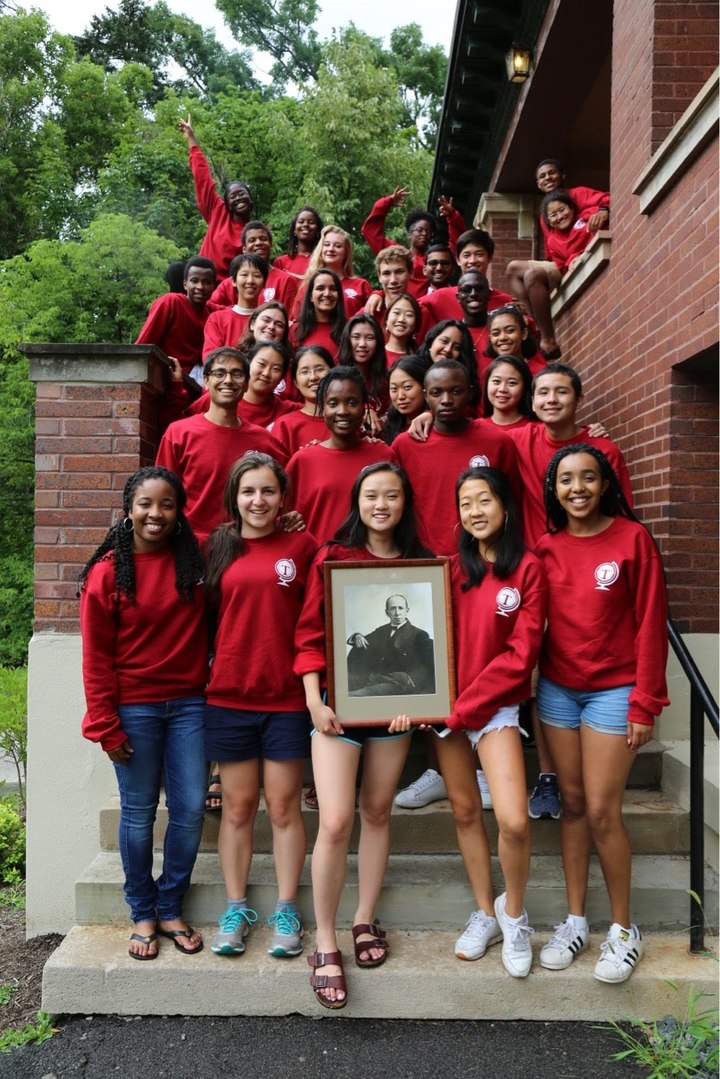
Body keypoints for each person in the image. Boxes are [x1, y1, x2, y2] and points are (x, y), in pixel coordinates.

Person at [294, 461, 432, 1008]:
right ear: (357, 501)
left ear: (405, 503)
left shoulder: (424, 566)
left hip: (394, 717)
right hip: (337, 710)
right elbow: (308, 631)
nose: (381, 505)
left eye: (392, 495)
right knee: (334, 820)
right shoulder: (333, 558)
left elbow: (430, 665)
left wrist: (421, 705)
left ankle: (364, 919)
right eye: (371, 495)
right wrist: (312, 699)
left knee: (377, 812)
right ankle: (325, 939)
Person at [535, 445, 668, 983]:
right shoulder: (545, 548)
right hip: (557, 689)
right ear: (554, 489)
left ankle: (623, 929)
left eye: (589, 477)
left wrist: (645, 701)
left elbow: (650, 625)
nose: (578, 488)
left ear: (605, 484)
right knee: (570, 805)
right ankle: (575, 922)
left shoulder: (633, 540)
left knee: (601, 810)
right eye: (566, 479)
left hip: (614, 690)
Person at [79, 466, 207, 960]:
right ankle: (142, 910)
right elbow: (95, 658)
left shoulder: (192, 563)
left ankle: (171, 903)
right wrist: (104, 725)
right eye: (146, 504)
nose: (156, 514)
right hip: (133, 709)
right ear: (130, 508)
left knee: (191, 808)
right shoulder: (109, 571)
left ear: (179, 512)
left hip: (190, 704)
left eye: (167, 505)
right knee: (137, 813)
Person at [431, 466, 546, 976]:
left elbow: (521, 657)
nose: (475, 512)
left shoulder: (529, 569)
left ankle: (514, 913)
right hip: (445, 707)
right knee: (462, 813)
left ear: (505, 507)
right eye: (466, 503)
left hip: (490, 708)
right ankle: (485, 911)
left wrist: (464, 710)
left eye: (484, 501)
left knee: (516, 821)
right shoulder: (448, 570)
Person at [204, 453, 317, 959]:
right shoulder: (215, 548)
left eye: (268, 491)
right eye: (249, 491)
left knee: (286, 808)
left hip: (287, 698)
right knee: (239, 809)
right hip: (228, 695)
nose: (258, 500)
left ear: (282, 497)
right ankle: (235, 908)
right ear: (235, 497)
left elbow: (317, 619)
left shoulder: (303, 546)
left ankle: (287, 910)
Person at [155, 347, 286, 545]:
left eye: (237, 374)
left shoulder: (264, 441)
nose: (228, 380)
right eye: (219, 373)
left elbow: (283, 495)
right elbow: (163, 494)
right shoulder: (179, 433)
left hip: (246, 546)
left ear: (246, 384)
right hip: (191, 545)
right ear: (206, 381)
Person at [393, 360, 519, 555]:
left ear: (469, 392)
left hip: (483, 558)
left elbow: (512, 502)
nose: (446, 400)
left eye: (456, 391)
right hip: (424, 559)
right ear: (426, 396)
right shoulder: (405, 445)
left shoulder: (497, 441)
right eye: (436, 393)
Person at [506, 160, 610, 360]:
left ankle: (546, 337)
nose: (548, 178)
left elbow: (607, 199)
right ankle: (534, 325)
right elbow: (551, 250)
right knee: (513, 269)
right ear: (538, 184)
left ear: (562, 175)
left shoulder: (577, 195)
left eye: (551, 173)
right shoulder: (545, 218)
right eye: (542, 176)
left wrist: (604, 211)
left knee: (533, 275)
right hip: (560, 261)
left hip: (577, 254)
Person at [286, 366, 394, 543]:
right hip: (318, 562)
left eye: (352, 402)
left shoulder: (384, 456)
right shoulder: (303, 460)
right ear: (322, 408)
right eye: (333, 403)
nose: (342, 411)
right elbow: (287, 518)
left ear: (364, 406)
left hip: (371, 564)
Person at [179, 115, 252, 278]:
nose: (238, 198)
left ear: (250, 198)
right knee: (176, 270)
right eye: (233, 196)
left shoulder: (254, 231)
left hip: (230, 289)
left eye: (242, 193)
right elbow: (202, 178)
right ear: (227, 203)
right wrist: (191, 139)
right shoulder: (218, 212)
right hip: (203, 282)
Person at [417, 229, 514, 341]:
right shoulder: (440, 297)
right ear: (458, 260)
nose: (472, 260)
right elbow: (409, 308)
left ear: (490, 257)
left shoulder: (506, 303)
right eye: (466, 255)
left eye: (479, 254)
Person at [135, 256, 217, 376]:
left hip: (198, 379)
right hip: (166, 376)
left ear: (213, 286)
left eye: (206, 282)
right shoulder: (170, 302)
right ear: (185, 284)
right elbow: (145, 343)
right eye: (194, 281)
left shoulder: (213, 312)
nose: (200, 287)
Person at [347, 593, 435, 696]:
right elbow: (364, 641)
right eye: (393, 608)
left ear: (407, 611)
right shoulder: (381, 630)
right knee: (344, 688)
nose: (397, 613)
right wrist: (357, 636)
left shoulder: (419, 634)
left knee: (353, 695)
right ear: (387, 612)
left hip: (398, 684)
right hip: (376, 678)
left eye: (400, 608)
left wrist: (410, 679)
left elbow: (432, 661)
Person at [209, 221, 299, 311]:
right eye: (252, 240)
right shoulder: (232, 283)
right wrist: (237, 313)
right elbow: (210, 306)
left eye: (263, 239)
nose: (258, 243)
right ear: (244, 249)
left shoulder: (286, 281)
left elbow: (291, 318)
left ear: (271, 245)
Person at [270, 346, 335, 457]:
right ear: (295, 382)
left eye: (320, 369)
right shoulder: (285, 426)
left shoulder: (346, 419)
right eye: (305, 372)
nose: (313, 377)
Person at [202, 254, 268, 357]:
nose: (250, 281)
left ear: (264, 282)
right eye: (244, 275)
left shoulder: (268, 321)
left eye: (257, 275)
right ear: (233, 281)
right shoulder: (217, 319)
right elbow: (210, 358)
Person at [299, 226, 372, 317]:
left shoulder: (361, 285)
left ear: (346, 253)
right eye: (327, 244)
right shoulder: (309, 285)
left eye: (337, 246)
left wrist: (378, 294)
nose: (331, 249)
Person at [337, 314, 389, 428]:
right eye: (356, 337)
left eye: (369, 338)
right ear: (347, 340)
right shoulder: (335, 379)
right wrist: (365, 408)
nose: (362, 344)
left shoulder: (387, 379)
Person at [417, 319, 480, 408]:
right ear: (431, 342)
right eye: (444, 341)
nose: (448, 349)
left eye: (457, 347)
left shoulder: (464, 380)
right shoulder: (413, 371)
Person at [236, 341, 298, 429]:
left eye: (276, 369)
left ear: (282, 377)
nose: (266, 373)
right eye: (261, 364)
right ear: (247, 364)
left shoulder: (288, 410)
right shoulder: (220, 400)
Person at [291, 268, 346, 360]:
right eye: (320, 288)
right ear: (310, 296)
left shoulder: (348, 330)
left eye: (333, 289)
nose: (327, 293)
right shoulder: (295, 331)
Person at [483, 304, 546, 378]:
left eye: (510, 330)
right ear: (490, 338)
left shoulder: (541, 375)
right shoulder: (489, 375)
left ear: (524, 333)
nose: (502, 337)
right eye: (496, 333)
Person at [381, 356, 431, 446]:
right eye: (394, 389)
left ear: (425, 386)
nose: (400, 396)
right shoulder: (384, 426)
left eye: (407, 387)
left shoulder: (437, 421)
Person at [274, 206, 324, 279]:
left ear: (318, 231)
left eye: (311, 222)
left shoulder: (324, 260)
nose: (305, 224)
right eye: (301, 222)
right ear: (294, 229)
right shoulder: (281, 262)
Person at [384, 292, 422, 367]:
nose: (401, 319)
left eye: (409, 315)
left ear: (416, 323)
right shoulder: (375, 354)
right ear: (386, 319)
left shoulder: (421, 359)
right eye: (396, 313)